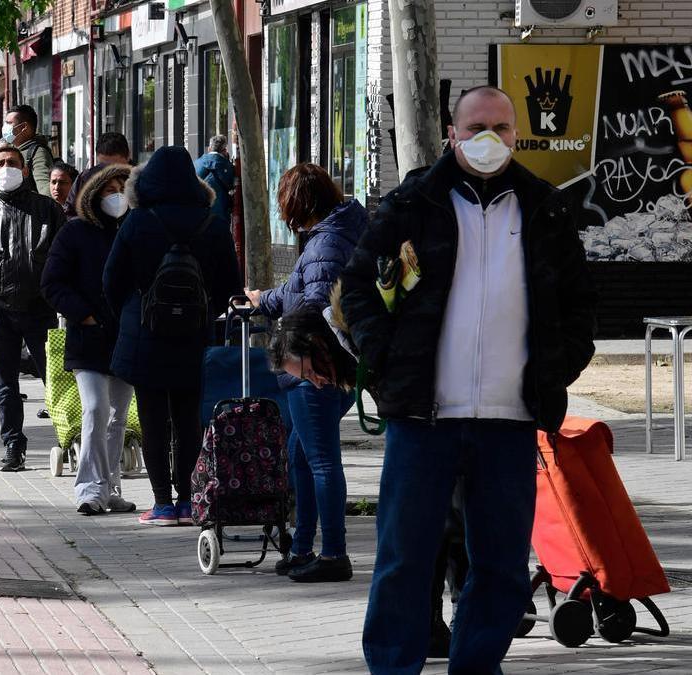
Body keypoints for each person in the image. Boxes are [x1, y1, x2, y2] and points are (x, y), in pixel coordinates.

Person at [339, 86, 596, 673]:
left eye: (502, 128)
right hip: (423, 419)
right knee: (404, 558)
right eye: (476, 126)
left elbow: (581, 302)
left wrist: (558, 369)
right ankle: (392, 666)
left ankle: (476, 665)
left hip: (509, 421)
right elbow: (356, 287)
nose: (489, 139)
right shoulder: (413, 205)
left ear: (516, 135)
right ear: (451, 133)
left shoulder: (544, 209)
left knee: (502, 566)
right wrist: (383, 360)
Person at [103, 145, 240, 526]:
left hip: (145, 334)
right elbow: (232, 284)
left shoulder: (137, 220)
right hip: (194, 336)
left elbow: (111, 279)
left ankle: (162, 503)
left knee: (152, 419)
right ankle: (190, 500)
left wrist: (129, 315)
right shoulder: (211, 224)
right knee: (188, 419)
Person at [243, 163, 368, 582]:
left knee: (321, 462)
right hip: (327, 366)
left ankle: (333, 553)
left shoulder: (326, 244)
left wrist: (287, 336)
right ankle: (302, 547)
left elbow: (314, 304)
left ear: (301, 204)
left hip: (315, 366)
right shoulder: (337, 234)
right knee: (301, 454)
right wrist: (265, 299)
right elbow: (302, 290)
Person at [41, 163, 136, 515]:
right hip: (89, 338)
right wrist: (85, 315)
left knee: (118, 417)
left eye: (122, 188)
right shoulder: (75, 232)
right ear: (94, 193)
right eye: (109, 189)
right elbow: (52, 283)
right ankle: (88, 488)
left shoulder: (135, 229)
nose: (117, 196)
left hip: (126, 337)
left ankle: (109, 488)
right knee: (96, 409)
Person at [0, 145, 66, 471]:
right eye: (1, 164)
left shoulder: (47, 210)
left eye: (13, 163)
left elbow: (66, 257)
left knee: (57, 378)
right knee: (4, 383)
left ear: (24, 170)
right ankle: (13, 445)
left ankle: (71, 440)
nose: (7, 168)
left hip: (40, 307)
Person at [63, 132, 131, 217]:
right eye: (103, 167)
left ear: (128, 156)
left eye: (116, 168)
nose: (111, 174)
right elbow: (71, 211)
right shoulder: (87, 178)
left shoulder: (140, 180)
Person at [2, 104, 54, 194]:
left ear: (24, 127)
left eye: (9, 123)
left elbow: (45, 188)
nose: (4, 127)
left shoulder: (38, 152)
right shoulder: (11, 150)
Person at [195, 135, 235, 224]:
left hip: (199, 214)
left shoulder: (196, 163)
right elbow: (232, 185)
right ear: (224, 151)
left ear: (209, 148)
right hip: (219, 214)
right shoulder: (226, 165)